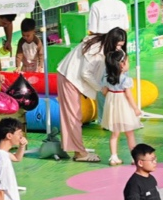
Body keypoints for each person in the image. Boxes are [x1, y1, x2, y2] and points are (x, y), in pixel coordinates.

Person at [55, 29, 128, 162]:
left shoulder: (107, 47)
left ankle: (77, 149)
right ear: (111, 41)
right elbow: (85, 73)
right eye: (117, 45)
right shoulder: (96, 49)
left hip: (75, 78)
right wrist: (100, 88)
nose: (119, 48)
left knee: (74, 116)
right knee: (73, 116)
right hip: (69, 76)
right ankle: (80, 153)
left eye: (121, 45)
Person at [100, 49, 143, 166]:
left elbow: (104, 92)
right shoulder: (125, 79)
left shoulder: (107, 78)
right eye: (128, 61)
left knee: (114, 134)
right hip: (123, 106)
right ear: (122, 64)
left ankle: (113, 157)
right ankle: (134, 158)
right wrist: (135, 108)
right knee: (130, 134)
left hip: (113, 107)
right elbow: (128, 96)